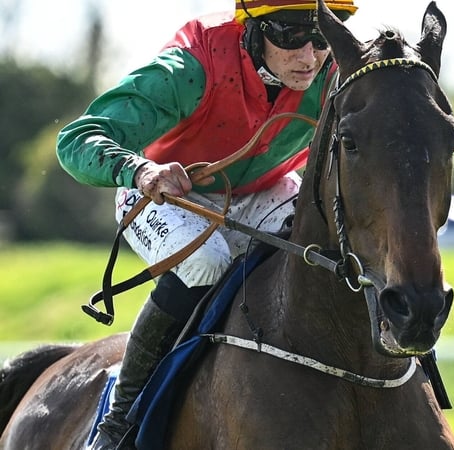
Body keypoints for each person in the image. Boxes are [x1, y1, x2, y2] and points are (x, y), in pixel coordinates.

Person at [56, 0, 358, 448]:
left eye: (321, 38)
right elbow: (76, 139)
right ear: (252, 29)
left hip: (263, 190)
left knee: (330, 244)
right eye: (291, 36)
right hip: (165, 191)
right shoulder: (191, 67)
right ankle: (118, 422)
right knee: (208, 260)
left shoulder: (335, 72)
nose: (309, 56)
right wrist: (142, 172)